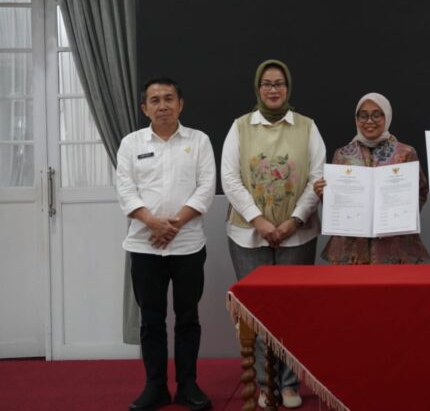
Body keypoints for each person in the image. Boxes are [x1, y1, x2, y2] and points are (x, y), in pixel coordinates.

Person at [221, 59, 325, 409]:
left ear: (288, 87)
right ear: (257, 88)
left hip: (297, 234)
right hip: (248, 236)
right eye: (266, 83)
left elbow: (317, 178)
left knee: (292, 311)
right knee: (257, 313)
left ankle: (290, 384)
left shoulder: (307, 127)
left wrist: (294, 219)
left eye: (279, 83)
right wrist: (259, 221)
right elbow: (230, 179)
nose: (273, 89)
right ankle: (265, 385)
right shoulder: (240, 127)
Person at [116, 78, 216, 411]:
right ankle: (155, 386)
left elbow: (205, 189)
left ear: (180, 104)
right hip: (145, 246)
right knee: (151, 320)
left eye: (169, 99)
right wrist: (153, 222)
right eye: (155, 100)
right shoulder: (131, 143)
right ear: (144, 108)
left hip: (188, 245)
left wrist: (173, 225)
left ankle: (188, 385)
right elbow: (125, 190)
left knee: (188, 317)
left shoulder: (199, 141)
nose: (163, 106)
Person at [315, 92, 430, 264]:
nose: (369, 121)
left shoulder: (405, 153)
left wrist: (402, 213)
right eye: (363, 115)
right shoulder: (342, 155)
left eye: (376, 115)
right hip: (351, 247)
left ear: (387, 116)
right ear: (356, 119)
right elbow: (337, 202)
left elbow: (421, 192)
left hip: (393, 244)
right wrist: (323, 193)